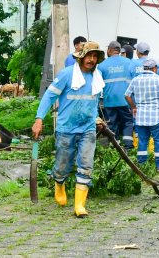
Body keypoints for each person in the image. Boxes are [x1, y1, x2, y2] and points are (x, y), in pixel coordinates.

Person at [33, 41, 106, 217]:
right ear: (81, 57)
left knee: (86, 164)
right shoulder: (66, 75)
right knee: (62, 165)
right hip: (66, 129)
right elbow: (49, 97)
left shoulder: (97, 76)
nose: (92, 60)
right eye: (89, 56)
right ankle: (59, 184)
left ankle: (79, 205)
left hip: (87, 129)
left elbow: (93, 100)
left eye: (95, 56)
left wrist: (97, 118)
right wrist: (39, 119)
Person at [124, 58, 159, 172]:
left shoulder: (136, 80)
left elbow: (127, 95)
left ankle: (142, 165)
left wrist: (134, 107)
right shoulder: (158, 79)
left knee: (142, 141)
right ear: (154, 68)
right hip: (156, 116)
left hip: (140, 117)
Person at [97, 41, 136, 149]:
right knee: (127, 122)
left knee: (112, 124)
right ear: (119, 50)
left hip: (109, 101)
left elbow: (97, 83)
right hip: (125, 100)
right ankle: (128, 146)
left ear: (109, 50)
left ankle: (114, 146)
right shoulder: (129, 62)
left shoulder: (102, 65)